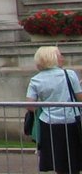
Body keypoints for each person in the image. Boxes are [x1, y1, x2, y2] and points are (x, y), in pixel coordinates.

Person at [26, 45, 82, 174]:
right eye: (60, 55)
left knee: (58, 162)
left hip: (49, 123)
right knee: (74, 160)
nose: (62, 57)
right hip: (71, 121)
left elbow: (30, 105)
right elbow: (80, 98)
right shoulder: (69, 74)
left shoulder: (36, 80)